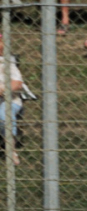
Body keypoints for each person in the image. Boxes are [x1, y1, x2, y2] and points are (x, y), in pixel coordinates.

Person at [0, 34, 24, 165]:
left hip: (9, 101)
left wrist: (2, 89)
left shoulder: (7, 61)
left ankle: (11, 150)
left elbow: (17, 83)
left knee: (4, 113)